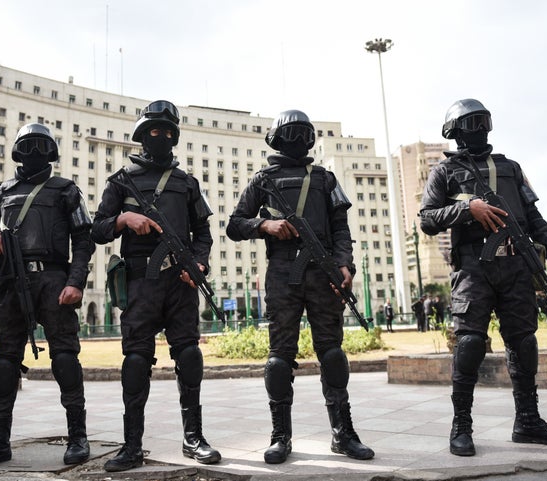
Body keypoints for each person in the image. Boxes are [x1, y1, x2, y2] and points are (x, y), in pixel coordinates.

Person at [419, 98, 547, 457]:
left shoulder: (511, 168)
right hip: (474, 268)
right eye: (469, 124)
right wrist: (466, 208)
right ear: (454, 131)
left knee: (523, 342)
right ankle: (461, 426)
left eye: (482, 122)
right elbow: (427, 219)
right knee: (470, 343)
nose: (478, 130)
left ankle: (529, 422)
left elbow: (533, 216)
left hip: (517, 266)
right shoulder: (445, 171)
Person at [226, 109, 374, 464]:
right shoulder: (263, 180)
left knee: (333, 354)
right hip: (282, 273)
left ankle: (343, 433)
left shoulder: (325, 179)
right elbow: (234, 224)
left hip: (323, 273)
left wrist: (345, 266)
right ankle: (281, 436)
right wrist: (265, 226)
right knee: (279, 358)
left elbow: (341, 228)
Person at [91, 100, 221, 471]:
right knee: (135, 361)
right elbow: (98, 230)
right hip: (139, 283)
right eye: (154, 131)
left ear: (175, 137)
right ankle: (132, 446)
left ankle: (193, 437)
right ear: (141, 136)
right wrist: (124, 219)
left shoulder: (187, 183)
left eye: (167, 131)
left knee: (189, 356)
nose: (160, 137)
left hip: (180, 281)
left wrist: (198, 264)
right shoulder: (120, 181)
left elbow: (204, 234)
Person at [0, 123, 94, 468]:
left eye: (40, 147)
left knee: (65, 358)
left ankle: (78, 437)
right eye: (26, 147)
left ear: (51, 152)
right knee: (5, 362)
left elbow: (84, 240)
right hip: (11, 281)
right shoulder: (3, 190)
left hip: (54, 280)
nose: (33, 153)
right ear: (17, 152)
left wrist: (76, 281)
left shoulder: (66, 189)